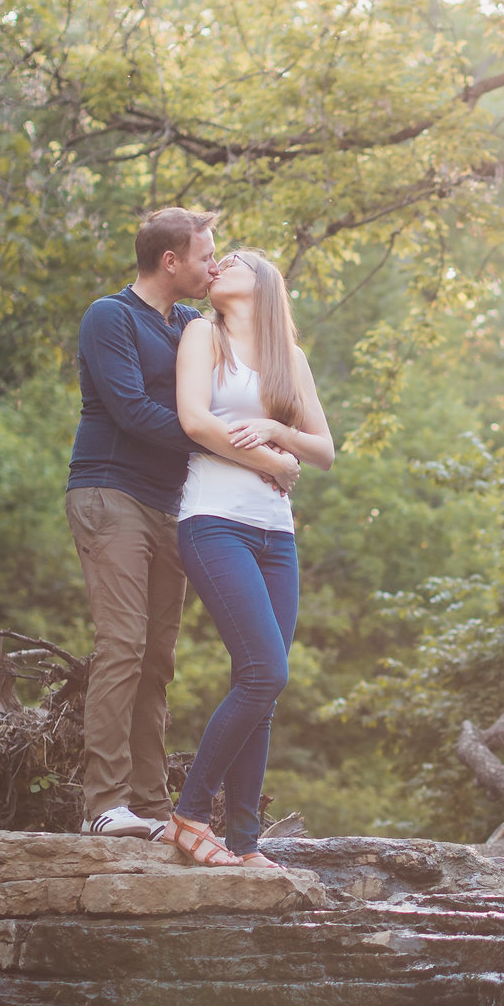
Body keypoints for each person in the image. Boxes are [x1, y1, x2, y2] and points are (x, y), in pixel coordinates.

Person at [65, 208, 302, 840]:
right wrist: (255, 456)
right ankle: (104, 804)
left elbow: (229, 395)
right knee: (123, 643)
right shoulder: (109, 317)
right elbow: (138, 413)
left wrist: (272, 439)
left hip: (174, 503)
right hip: (110, 491)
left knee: (158, 658)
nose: (213, 265)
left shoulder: (194, 325)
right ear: (171, 261)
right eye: (205, 255)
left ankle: (148, 804)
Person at [165, 248, 334, 866]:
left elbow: (323, 451)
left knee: (259, 688)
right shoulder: (201, 335)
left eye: (231, 259)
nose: (217, 265)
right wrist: (272, 462)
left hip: (276, 536)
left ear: (262, 283)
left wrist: (279, 434)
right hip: (213, 522)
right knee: (267, 672)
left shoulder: (290, 359)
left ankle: (242, 845)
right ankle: (187, 815)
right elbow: (195, 422)